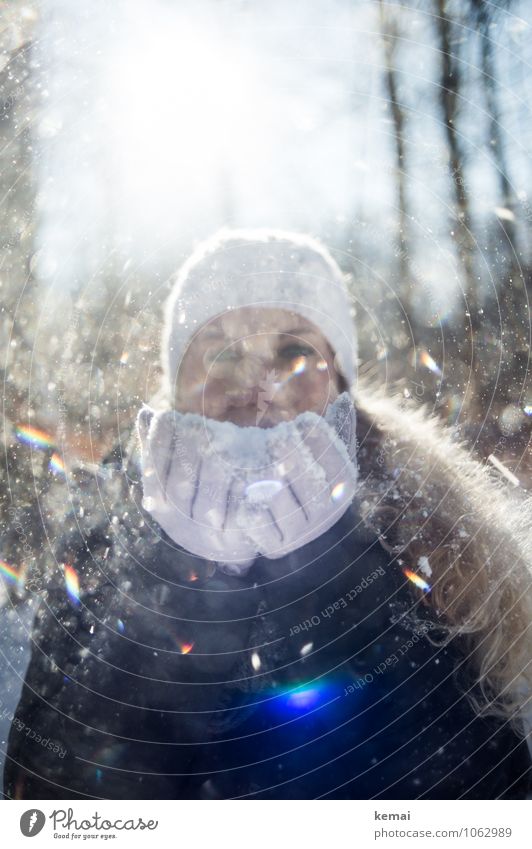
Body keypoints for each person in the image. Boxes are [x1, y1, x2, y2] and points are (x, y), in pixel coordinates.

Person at [3, 229, 532, 800]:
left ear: (338, 378)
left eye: (292, 351)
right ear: (176, 381)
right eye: (224, 351)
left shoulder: (436, 532)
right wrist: (182, 584)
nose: (258, 383)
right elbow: (49, 797)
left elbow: (479, 791)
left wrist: (329, 576)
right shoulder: (102, 543)